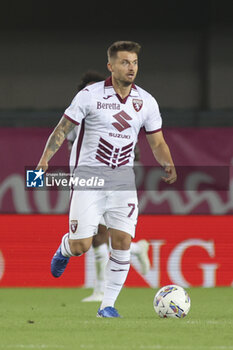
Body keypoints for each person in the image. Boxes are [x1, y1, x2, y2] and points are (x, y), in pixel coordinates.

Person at [37, 41, 177, 318]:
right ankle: (66, 247)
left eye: (134, 62)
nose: (131, 68)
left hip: (123, 180)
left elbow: (157, 141)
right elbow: (62, 129)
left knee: (123, 241)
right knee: (83, 246)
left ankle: (107, 305)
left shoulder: (146, 102)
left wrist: (167, 160)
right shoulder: (90, 96)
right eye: (125, 62)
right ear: (110, 66)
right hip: (88, 178)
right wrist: (44, 160)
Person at [67, 71, 151, 302]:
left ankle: (101, 290)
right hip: (88, 183)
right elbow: (74, 152)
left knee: (100, 236)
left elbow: (133, 150)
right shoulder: (77, 121)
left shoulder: (118, 117)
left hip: (115, 185)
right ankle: (136, 250)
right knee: (95, 237)